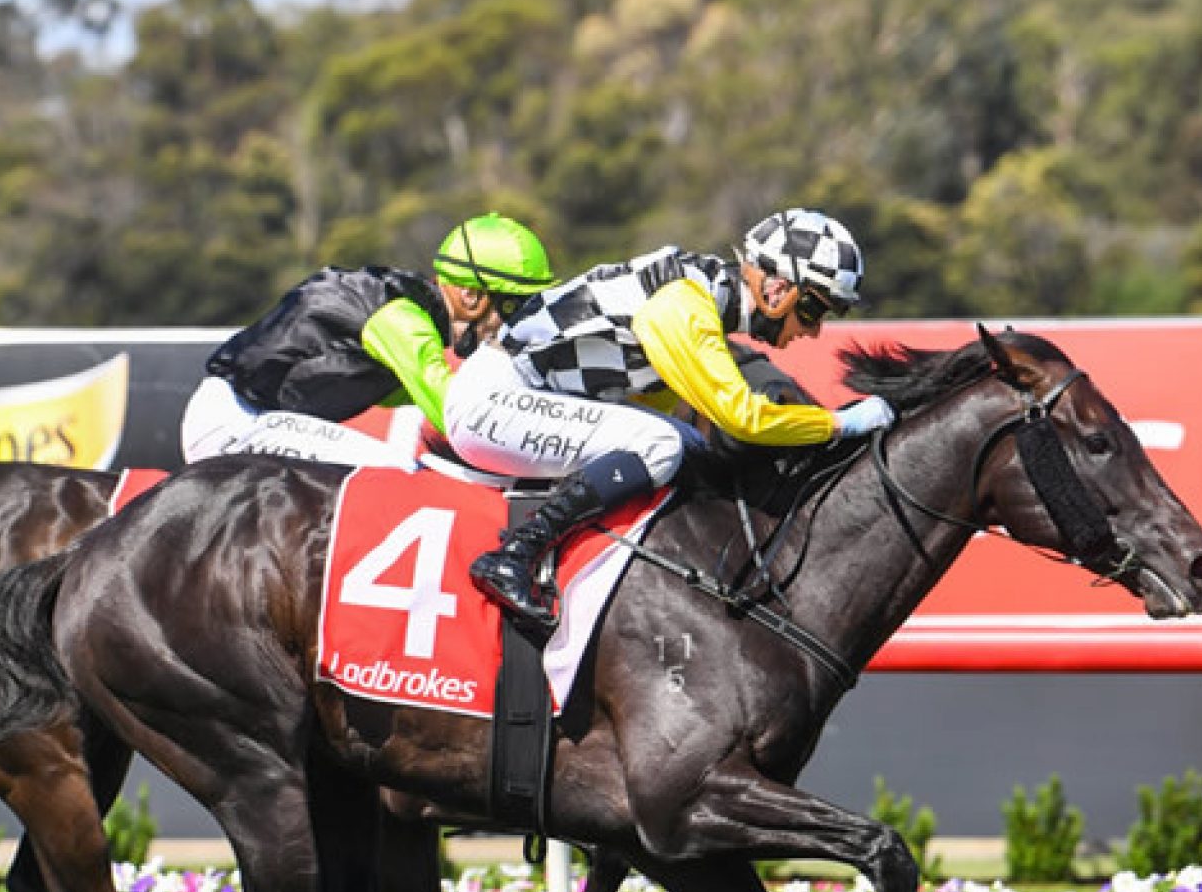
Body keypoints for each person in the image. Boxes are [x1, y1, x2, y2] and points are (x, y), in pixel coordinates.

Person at [445, 207, 897, 637]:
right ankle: (515, 554)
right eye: (813, 310)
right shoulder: (686, 302)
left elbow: (660, 401)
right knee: (662, 445)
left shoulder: (706, 298)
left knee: (682, 444)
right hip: (493, 401)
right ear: (776, 289)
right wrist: (840, 424)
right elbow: (744, 418)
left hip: (524, 396)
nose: (813, 330)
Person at [180, 213, 555, 466]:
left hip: (253, 416)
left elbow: (434, 399)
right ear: (471, 295)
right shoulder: (401, 320)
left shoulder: (408, 312)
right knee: (396, 473)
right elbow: (455, 414)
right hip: (235, 421)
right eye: (512, 308)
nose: (510, 328)